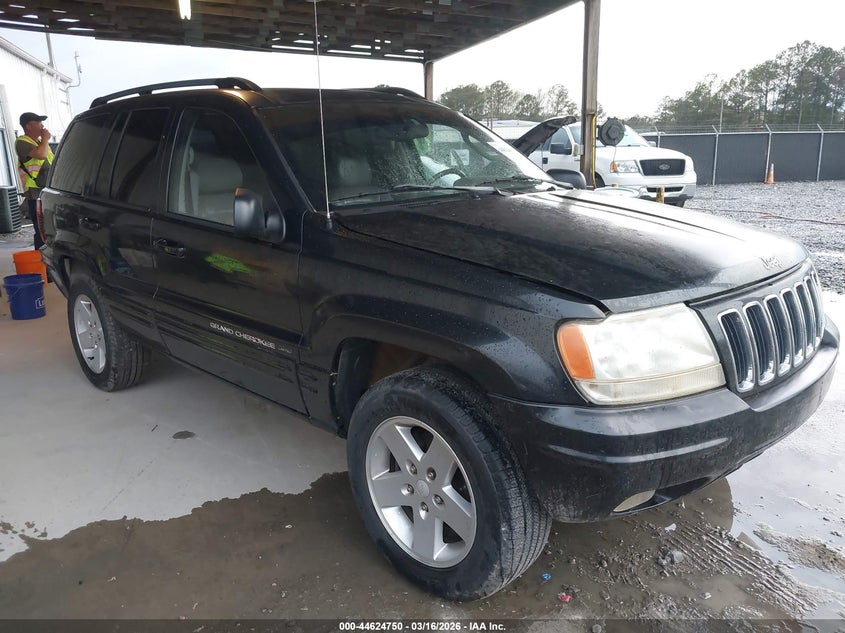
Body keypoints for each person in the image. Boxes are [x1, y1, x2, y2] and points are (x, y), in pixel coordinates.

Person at [16, 112, 53, 250]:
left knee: (48, 230)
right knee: (41, 232)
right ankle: (40, 264)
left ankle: (46, 264)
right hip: (35, 193)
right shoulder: (22, 142)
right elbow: (41, 155)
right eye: (38, 122)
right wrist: (45, 139)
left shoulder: (38, 142)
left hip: (45, 190)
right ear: (28, 126)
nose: (42, 125)